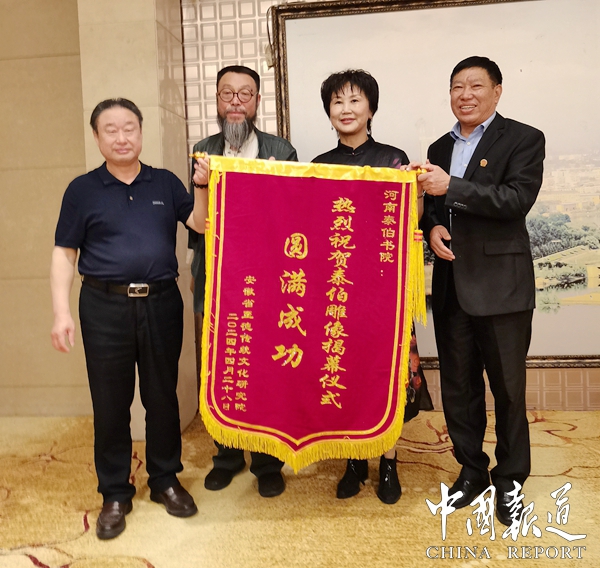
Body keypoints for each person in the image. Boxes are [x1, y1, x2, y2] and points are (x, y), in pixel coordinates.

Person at [50, 98, 208, 539]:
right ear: (97, 136)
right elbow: (64, 253)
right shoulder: (81, 190)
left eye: (129, 128)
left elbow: (200, 224)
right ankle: (115, 493)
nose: (121, 138)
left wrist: (201, 186)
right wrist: (61, 312)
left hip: (161, 302)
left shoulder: (165, 182)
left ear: (140, 132)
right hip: (103, 306)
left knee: (162, 397)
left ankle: (165, 480)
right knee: (110, 403)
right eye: (111, 130)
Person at [417, 56, 545, 526]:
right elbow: (435, 208)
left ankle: (510, 480)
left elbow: (516, 200)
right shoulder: (439, 145)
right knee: (459, 388)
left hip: (502, 287)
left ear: (497, 91)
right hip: (451, 285)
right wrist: (432, 227)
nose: (465, 95)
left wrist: (451, 186)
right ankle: (471, 470)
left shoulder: (524, 138)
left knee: (508, 391)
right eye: (457, 86)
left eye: (475, 86)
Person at [313, 69, 433, 505]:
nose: (346, 109)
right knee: (343, 374)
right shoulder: (319, 166)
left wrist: (416, 190)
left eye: (354, 100)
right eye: (337, 102)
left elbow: (411, 220)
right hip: (338, 289)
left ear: (370, 109)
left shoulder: (392, 159)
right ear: (329, 112)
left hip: (384, 290)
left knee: (386, 378)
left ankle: (388, 462)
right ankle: (353, 462)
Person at [189, 65, 298, 498]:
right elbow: (197, 219)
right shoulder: (203, 150)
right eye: (227, 94)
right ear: (217, 100)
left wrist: (274, 186)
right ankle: (227, 455)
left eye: (244, 94)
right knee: (221, 366)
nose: (235, 102)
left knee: (264, 368)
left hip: (267, 280)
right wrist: (195, 269)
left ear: (257, 102)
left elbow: (294, 219)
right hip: (218, 277)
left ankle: (267, 461)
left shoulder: (281, 150)